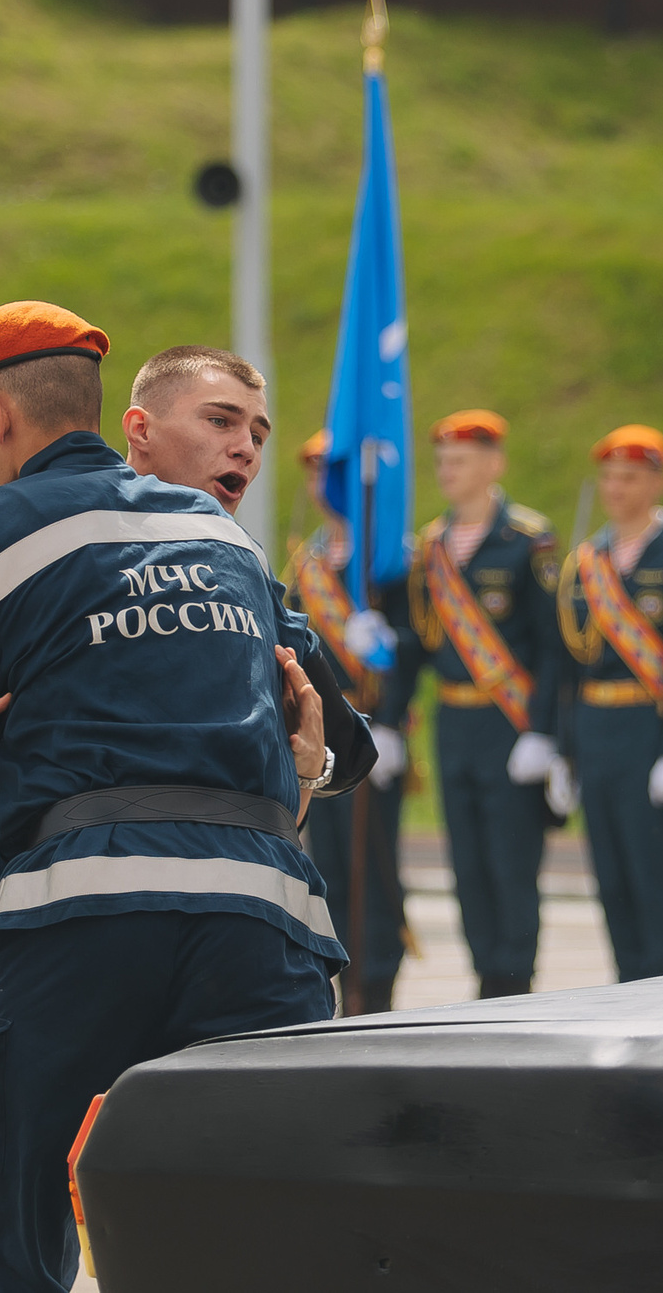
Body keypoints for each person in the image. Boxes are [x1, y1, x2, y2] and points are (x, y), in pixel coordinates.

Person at [0, 336, 370, 1293]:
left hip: (59, 915)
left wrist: (303, 766)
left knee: (57, 1205)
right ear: (135, 430)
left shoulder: (219, 543)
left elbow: (336, 733)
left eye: (258, 432)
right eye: (221, 421)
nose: (245, 449)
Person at [381, 410, 563, 998]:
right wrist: (388, 721)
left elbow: (553, 647)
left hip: (509, 723)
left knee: (511, 864)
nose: (447, 472)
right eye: (442, 461)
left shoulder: (528, 541)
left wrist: (544, 732)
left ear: (494, 465)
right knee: (467, 864)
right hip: (453, 721)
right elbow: (416, 646)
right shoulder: (430, 546)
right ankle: (486, 980)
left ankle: (515, 988)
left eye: (460, 461)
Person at [555, 424, 663, 983]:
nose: (616, 489)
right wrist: (565, 750)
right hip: (596, 729)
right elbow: (568, 666)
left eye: (630, 477)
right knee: (611, 875)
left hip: (650, 728)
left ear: (657, 482)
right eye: (610, 477)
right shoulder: (586, 560)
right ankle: (627, 985)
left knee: (651, 875)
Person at [292, 427, 416, 1011]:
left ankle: (378, 988)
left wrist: (390, 718)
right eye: (316, 473)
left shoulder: (388, 560)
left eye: (332, 472)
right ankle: (346, 986)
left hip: (371, 728)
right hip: (323, 728)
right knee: (333, 867)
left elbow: (417, 643)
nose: (323, 484)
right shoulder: (309, 562)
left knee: (375, 867)